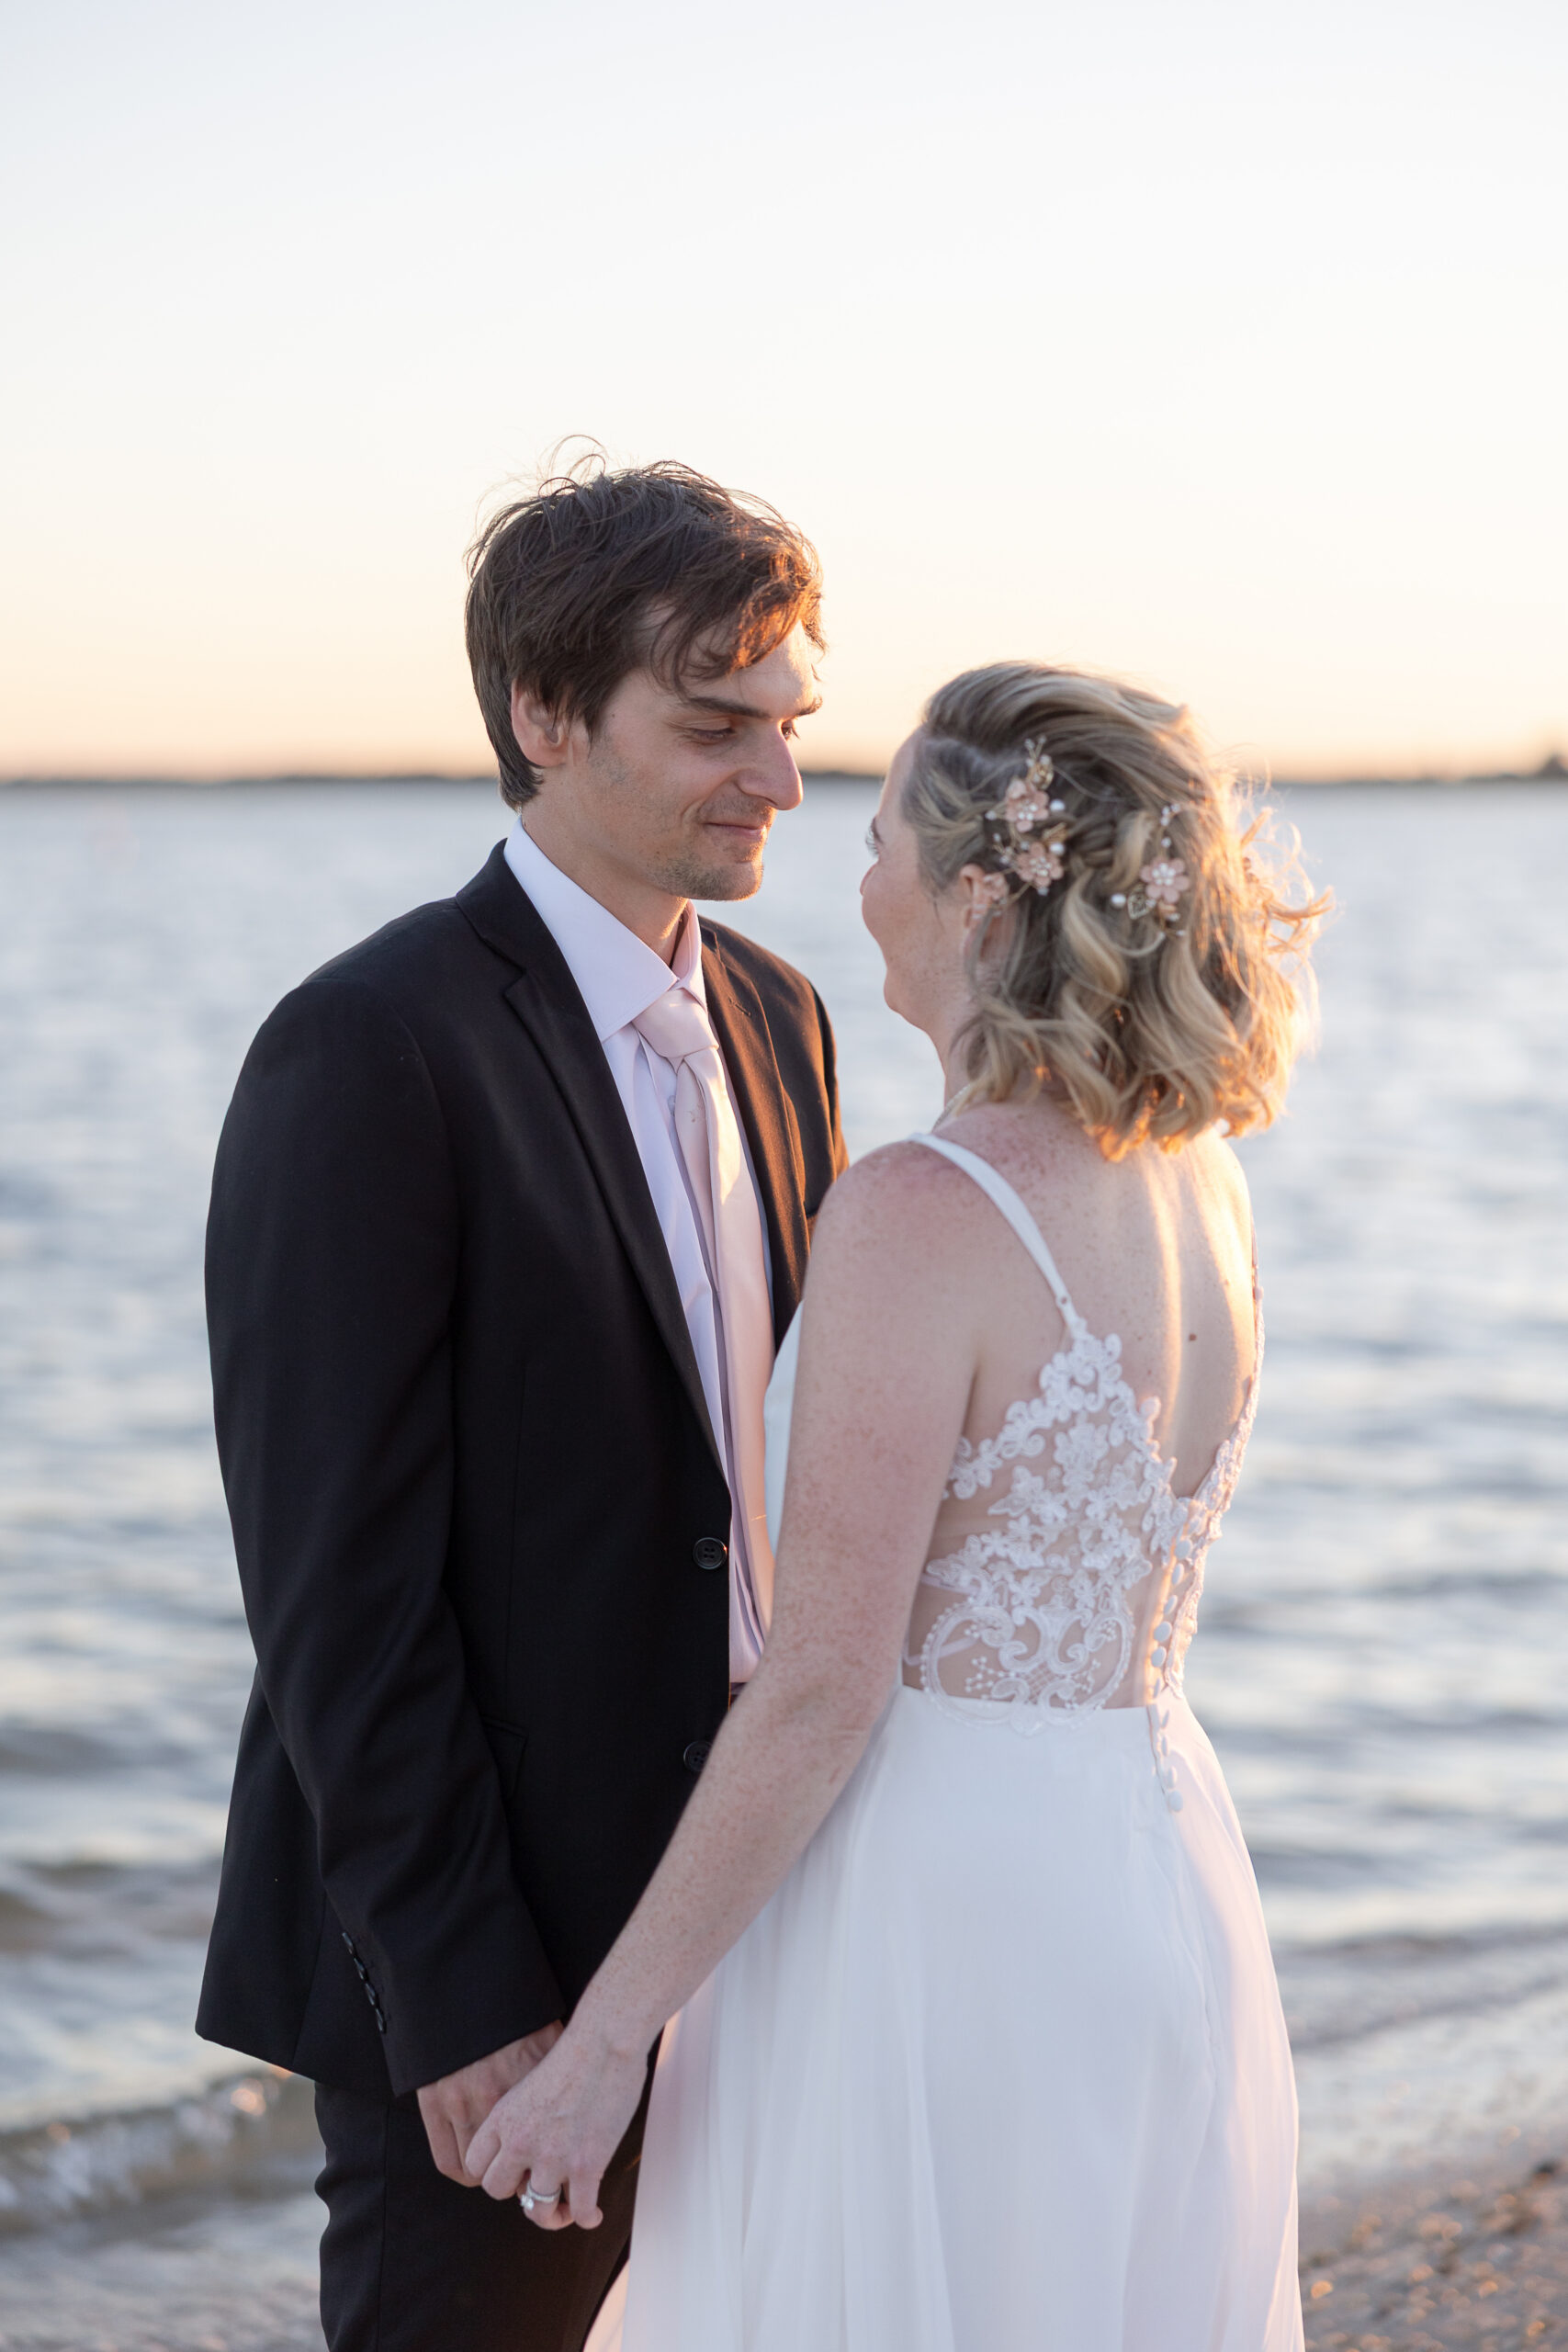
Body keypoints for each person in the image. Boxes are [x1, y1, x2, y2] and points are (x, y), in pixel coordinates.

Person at [465, 662, 1329, 2351]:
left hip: (936, 1922)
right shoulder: (1201, 1184)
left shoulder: (925, 1211)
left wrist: (602, 2050)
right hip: (1153, 1873)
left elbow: (824, 1689)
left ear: (978, 893)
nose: (851, 881)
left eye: (876, 844)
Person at [196, 458, 847, 2351]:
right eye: (713, 724)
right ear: (543, 715)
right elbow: (337, 1595)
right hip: (495, 1952)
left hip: (747, 1909)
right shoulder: (368, 1044)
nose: (779, 779)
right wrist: (465, 1992)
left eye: (790, 725)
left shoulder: (783, 1021)